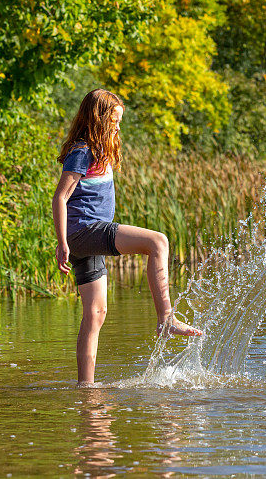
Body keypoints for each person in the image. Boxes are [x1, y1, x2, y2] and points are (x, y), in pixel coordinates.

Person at [52, 88, 202, 387]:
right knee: (157, 242)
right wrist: (63, 242)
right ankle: (166, 320)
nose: (118, 127)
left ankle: (86, 388)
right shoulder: (82, 151)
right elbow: (59, 197)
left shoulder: (99, 152)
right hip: (84, 232)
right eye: (114, 120)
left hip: (86, 236)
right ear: (98, 119)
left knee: (96, 313)